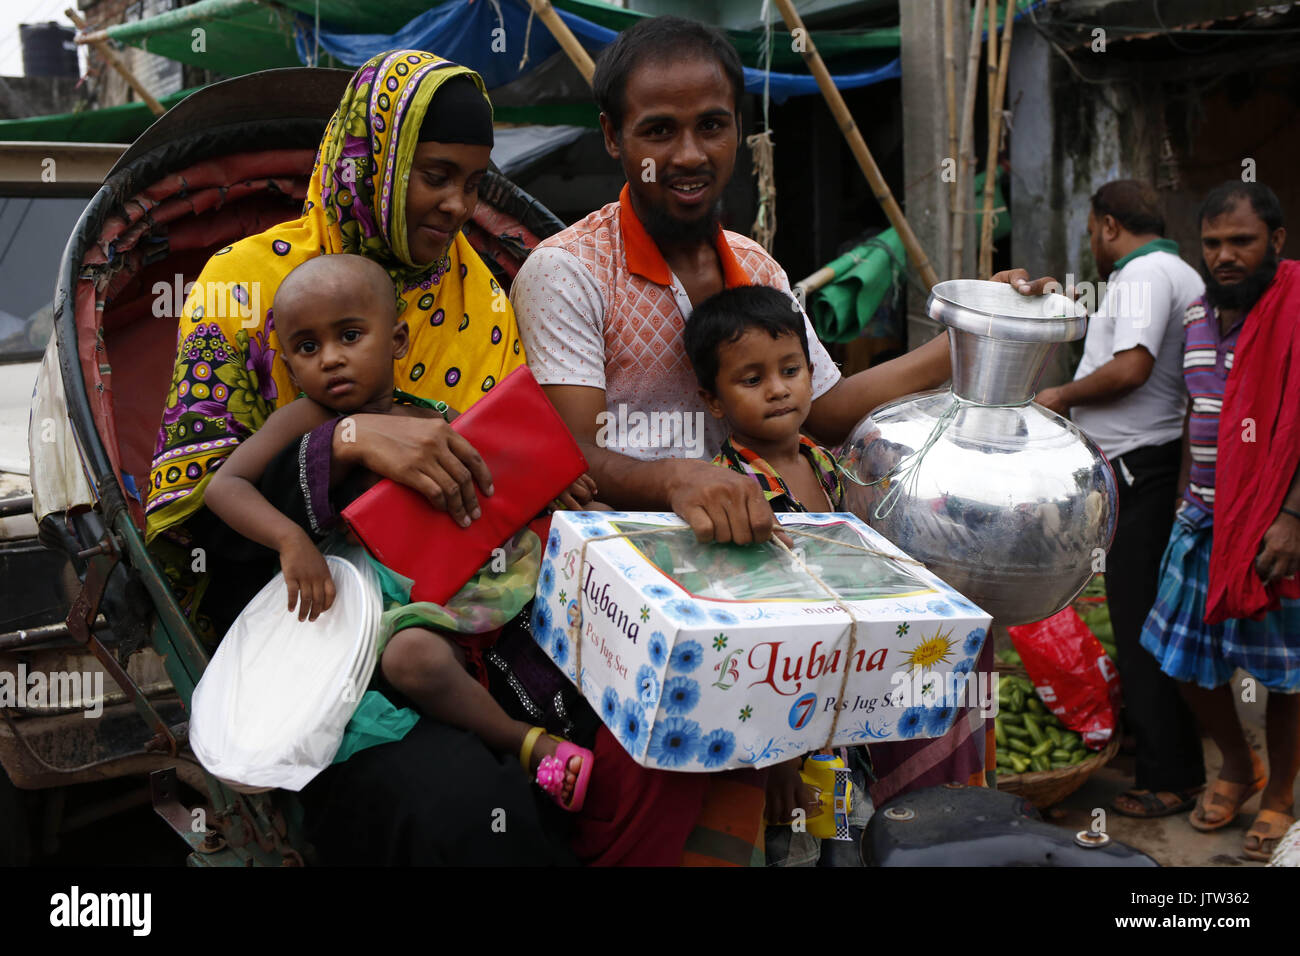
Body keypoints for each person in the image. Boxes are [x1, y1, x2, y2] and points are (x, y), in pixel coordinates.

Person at [511, 16, 1029, 863]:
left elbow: (823, 410)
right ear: (612, 138)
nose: (687, 154)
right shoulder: (568, 270)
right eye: (657, 131)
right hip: (651, 587)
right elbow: (574, 455)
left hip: (773, 556)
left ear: (738, 131)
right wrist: (680, 480)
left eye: (710, 126)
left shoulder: (755, 264)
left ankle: (927, 847)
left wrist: (967, 337)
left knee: (947, 675)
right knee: (735, 798)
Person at [146, 51, 583, 864]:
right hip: (317, 637)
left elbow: (507, 470)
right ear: (370, 166)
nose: (457, 206)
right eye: (436, 176)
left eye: (474, 182)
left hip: (479, 615)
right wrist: (343, 441)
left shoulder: (478, 293)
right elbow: (192, 508)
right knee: (465, 814)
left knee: (635, 749)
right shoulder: (243, 287)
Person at [203, 253, 595, 809]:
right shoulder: (308, 421)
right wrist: (289, 539)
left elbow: (490, 480)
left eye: (350, 335)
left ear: (398, 340)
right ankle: (528, 746)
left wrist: (549, 485)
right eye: (308, 347)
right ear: (289, 364)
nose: (332, 360)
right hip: (381, 617)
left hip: (483, 591)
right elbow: (225, 487)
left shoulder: (433, 416)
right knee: (413, 659)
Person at [1035, 180, 1207, 820]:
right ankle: (1149, 742)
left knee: (1140, 624)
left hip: (1141, 468)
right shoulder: (1171, 270)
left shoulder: (1140, 273)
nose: (1092, 244)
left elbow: (1131, 366)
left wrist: (1057, 398)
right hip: (1148, 465)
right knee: (1142, 617)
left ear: (1107, 225)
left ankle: (1173, 775)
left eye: (1090, 231)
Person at [1139, 181, 1300, 861]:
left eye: (1242, 241)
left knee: (1283, 672)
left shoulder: (1294, 309)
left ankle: (1282, 798)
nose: (1226, 255)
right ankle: (1238, 764)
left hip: (1277, 519)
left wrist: (1292, 515)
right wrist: (1182, 503)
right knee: (1179, 655)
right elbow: (1195, 418)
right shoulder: (1200, 315)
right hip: (1203, 514)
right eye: (1213, 244)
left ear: (1277, 242)